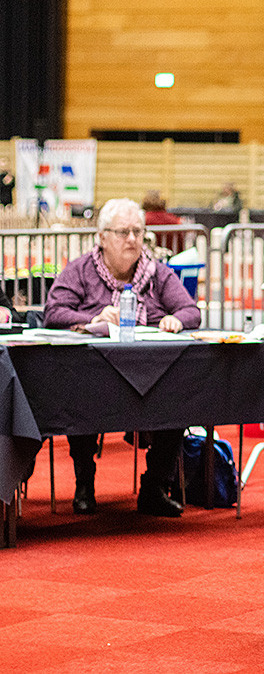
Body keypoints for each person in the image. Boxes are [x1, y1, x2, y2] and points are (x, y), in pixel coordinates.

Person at [43, 198, 201, 517]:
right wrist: (92, 318)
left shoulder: (157, 273)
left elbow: (190, 310)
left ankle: (155, 486)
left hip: (153, 375)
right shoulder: (80, 271)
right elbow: (53, 312)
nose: (132, 239)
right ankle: (84, 484)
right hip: (93, 375)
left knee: (180, 397)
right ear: (102, 237)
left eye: (137, 231)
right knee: (79, 395)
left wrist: (177, 320)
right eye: (122, 232)